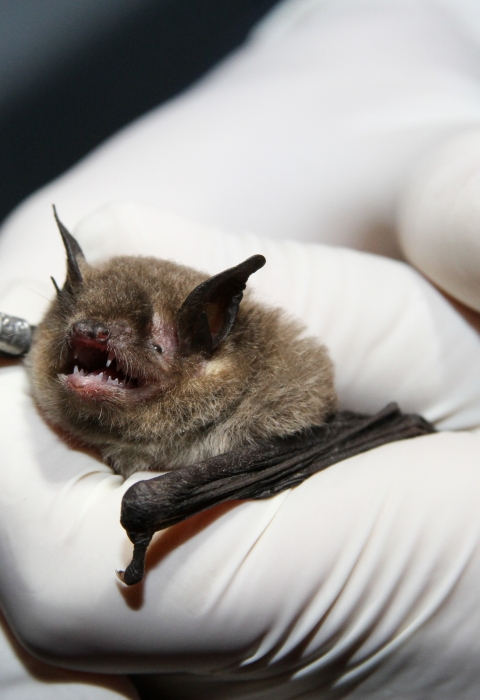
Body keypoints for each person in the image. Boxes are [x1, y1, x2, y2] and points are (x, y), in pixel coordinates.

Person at [2, 0, 480, 697]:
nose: (93, 341)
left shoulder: (256, 402)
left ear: (207, 342)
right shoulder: (56, 349)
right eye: (84, 330)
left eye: (148, 343)